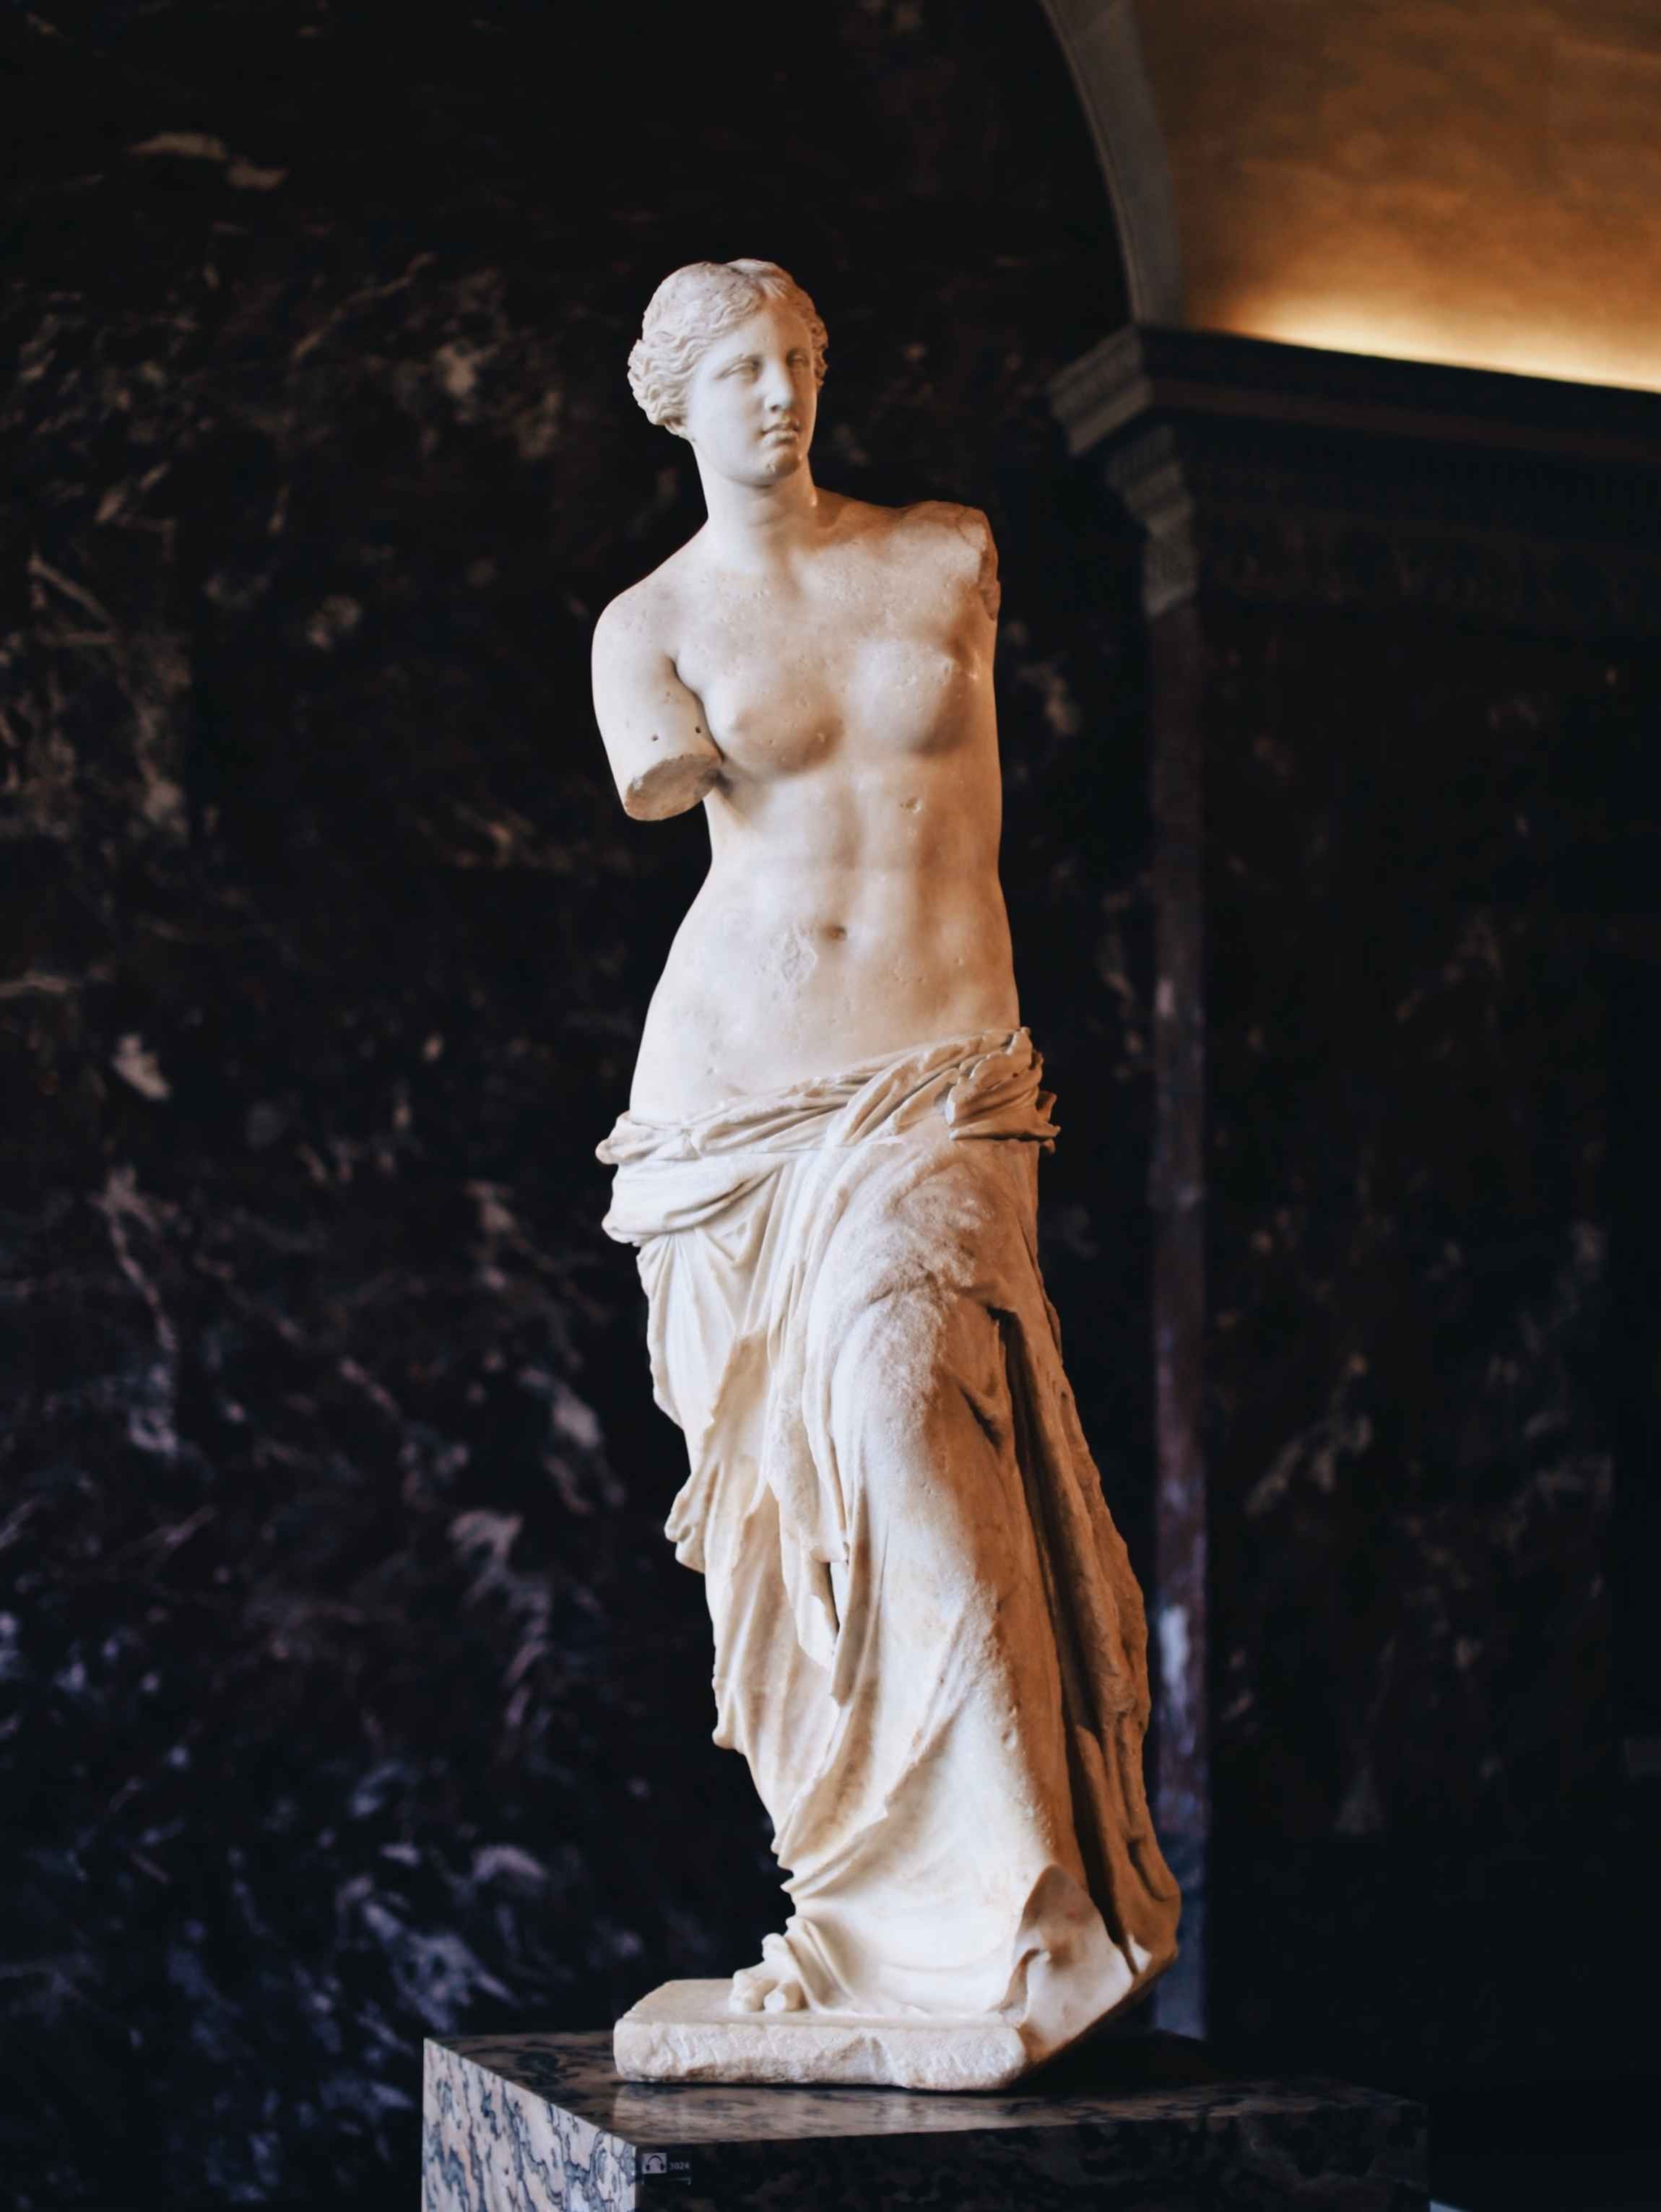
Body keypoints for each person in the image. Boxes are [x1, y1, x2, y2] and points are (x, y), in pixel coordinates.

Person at [592, 259, 1176, 2081]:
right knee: (803, 1513)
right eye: (740, 371)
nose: (779, 394)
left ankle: (1023, 1908)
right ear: (672, 400)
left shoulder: (944, 555)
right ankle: (893, 1912)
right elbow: (666, 787)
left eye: (799, 359)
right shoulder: (647, 626)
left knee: (906, 1410)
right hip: (736, 1106)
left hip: (937, 1082)